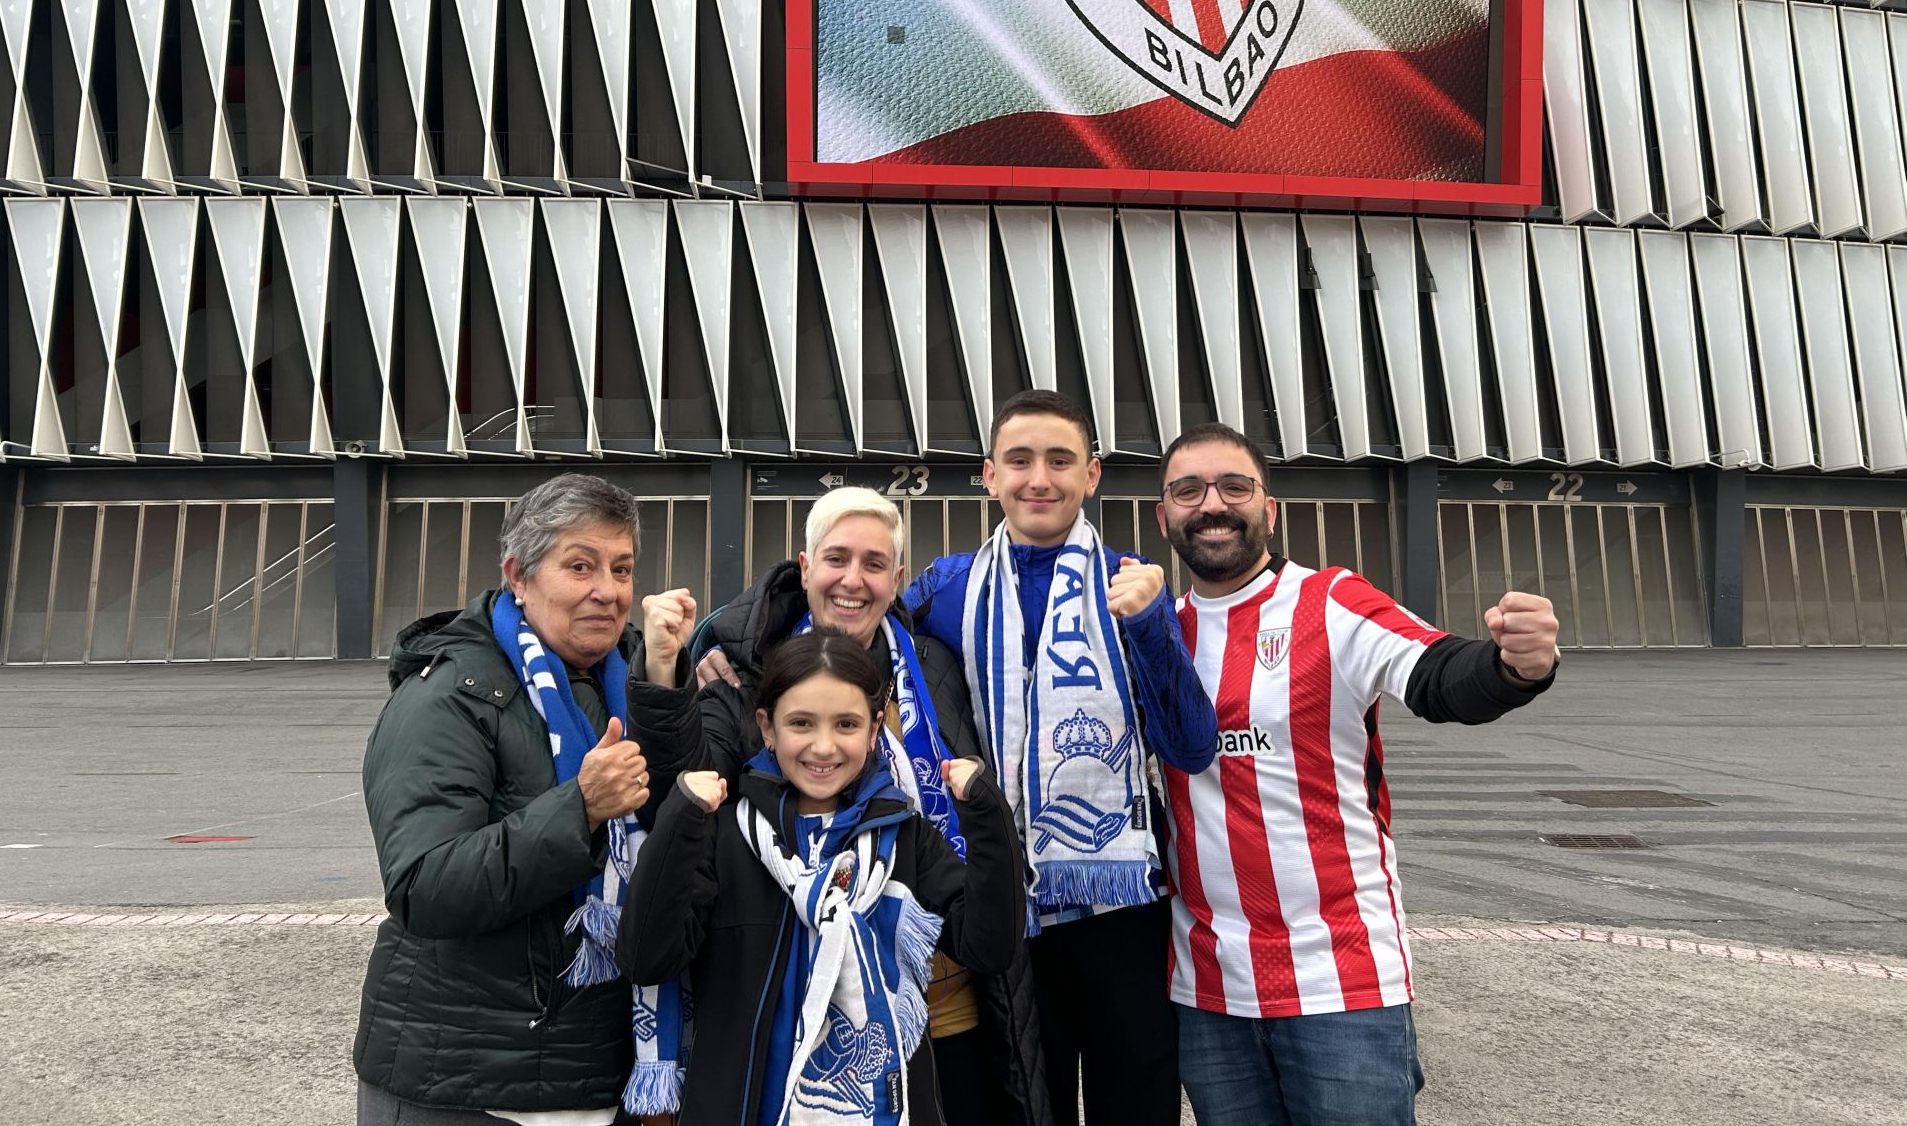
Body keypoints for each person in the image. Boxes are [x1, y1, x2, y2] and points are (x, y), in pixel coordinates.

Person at [1152, 424, 1560, 1126]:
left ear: (1269, 510)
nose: (1212, 504)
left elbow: (1436, 674)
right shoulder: (1156, 633)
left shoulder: (1330, 602)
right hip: (1209, 987)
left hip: (1342, 982)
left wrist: (1512, 667)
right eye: (1189, 491)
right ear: (1164, 516)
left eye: (1234, 486)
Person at [633, 487, 1049, 1126]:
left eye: (874, 564)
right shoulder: (740, 669)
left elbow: (983, 909)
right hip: (773, 995)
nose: (853, 579)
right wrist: (664, 676)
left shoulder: (933, 667)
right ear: (805, 568)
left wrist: (987, 818)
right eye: (836, 559)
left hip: (938, 1003)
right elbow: (681, 791)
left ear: (898, 580)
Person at [904, 389, 1219, 1126]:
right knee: (1024, 1101)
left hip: (1121, 902)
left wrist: (1150, 628)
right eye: (1019, 461)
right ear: (989, 475)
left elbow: (1192, 745)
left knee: (1132, 1099)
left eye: (1059, 460)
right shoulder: (950, 587)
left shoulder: (1133, 581)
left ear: (1093, 475)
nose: (1038, 478)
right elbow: (846, 608)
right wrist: (725, 643)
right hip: (1005, 899)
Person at [352, 472, 697, 1126]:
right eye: (580, 566)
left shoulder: (638, 675)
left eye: (622, 568)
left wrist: (668, 682)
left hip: (608, 1070)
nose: (607, 590)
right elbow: (425, 885)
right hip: (469, 1082)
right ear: (519, 575)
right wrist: (581, 810)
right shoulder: (447, 696)